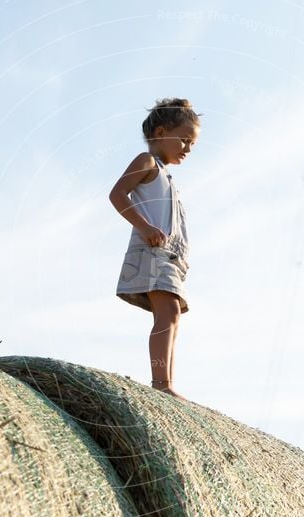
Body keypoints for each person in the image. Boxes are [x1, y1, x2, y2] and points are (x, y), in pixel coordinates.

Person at [109, 98, 202, 399]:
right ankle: (161, 384)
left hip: (169, 257)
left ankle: (166, 382)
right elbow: (118, 194)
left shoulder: (167, 176)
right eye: (184, 140)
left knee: (172, 315)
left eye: (192, 143)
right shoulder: (146, 163)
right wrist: (144, 226)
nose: (188, 148)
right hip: (154, 252)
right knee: (168, 313)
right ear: (161, 132)